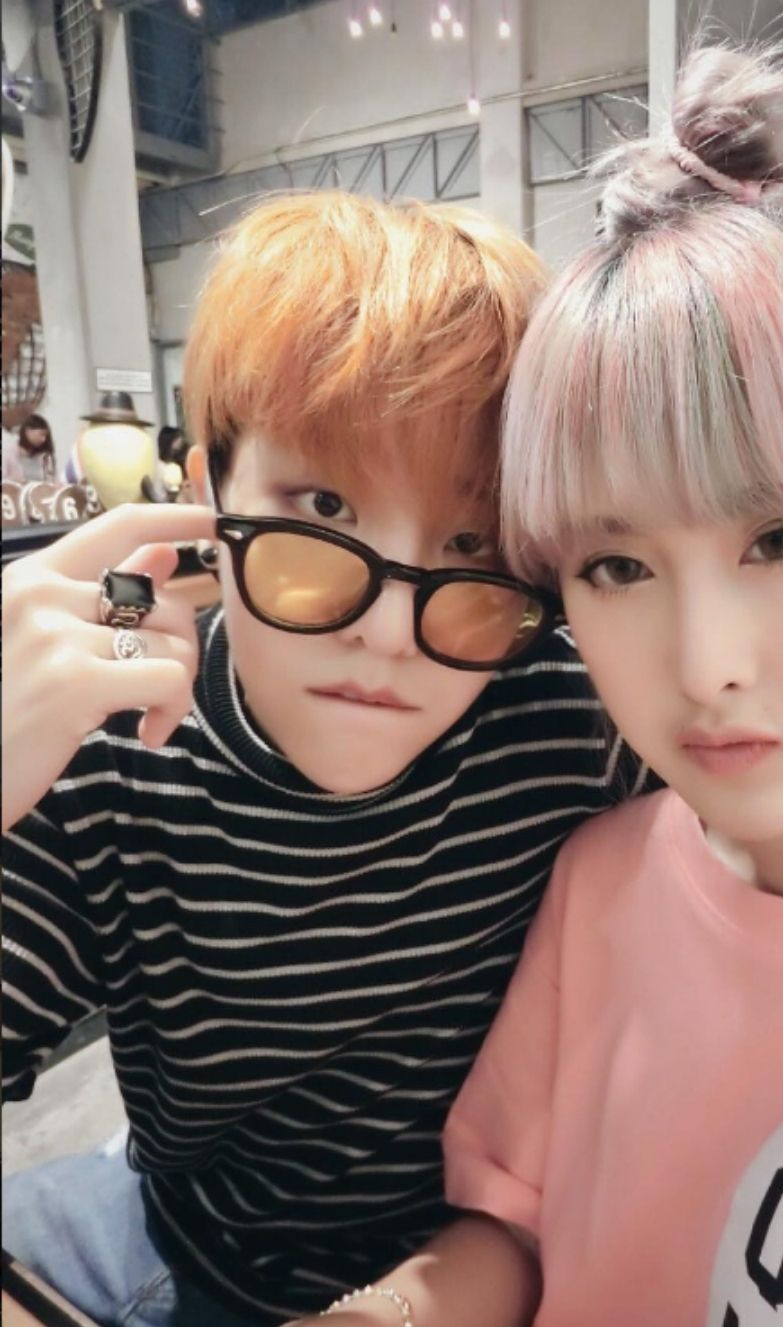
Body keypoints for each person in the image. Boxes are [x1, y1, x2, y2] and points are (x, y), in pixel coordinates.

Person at [291, 42, 783, 1327]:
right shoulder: (603, 878)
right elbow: (520, 1225)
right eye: (617, 566)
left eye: (781, 539)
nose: (706, 664)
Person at [1, 191, 652, 1327]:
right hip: (191, 1243)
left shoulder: (570, 720)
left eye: (471, 544)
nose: (390, 632)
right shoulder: (111, 753)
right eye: (325, 508)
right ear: (207, 496)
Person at [8, 412, 57, 482]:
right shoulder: (11, 454)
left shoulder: (45, 456)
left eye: (45, 436)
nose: (43, 439)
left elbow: (52, 480)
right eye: (41, 434)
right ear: (28, 431)